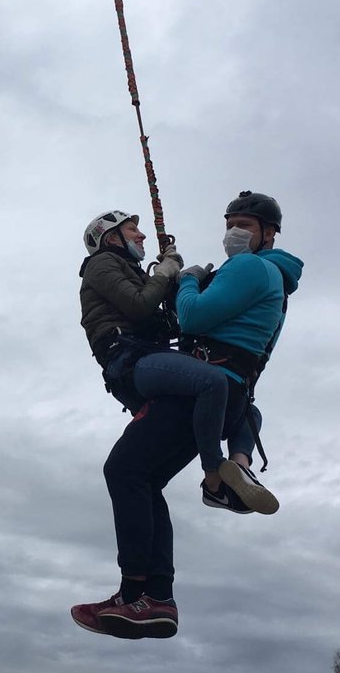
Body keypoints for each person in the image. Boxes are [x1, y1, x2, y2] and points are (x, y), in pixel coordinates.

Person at [72, 192, 303, 640]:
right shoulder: (274, 277)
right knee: (140, 476)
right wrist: (173, 281)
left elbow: (188, 317)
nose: (234, 232)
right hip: (181, 372)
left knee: (125, 472)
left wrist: (183, 281)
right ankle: (157, 593)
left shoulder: (250, 268)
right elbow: (168, 315)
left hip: (195, 378)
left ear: (268, 234)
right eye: (231, 223)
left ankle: (143, 589)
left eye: (245, 225)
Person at [78, 211, 270, 510]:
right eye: (132, 230)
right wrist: (164, 274)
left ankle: (240, 465)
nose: (141, 236)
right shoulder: (101, 263)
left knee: (246, 409)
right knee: (212, 380)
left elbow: (169, 320)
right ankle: (214, 478)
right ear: (111, 238)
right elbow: (139, 306)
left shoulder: (135, 272)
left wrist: (186, 285)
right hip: (127, 358)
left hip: (150, 356)